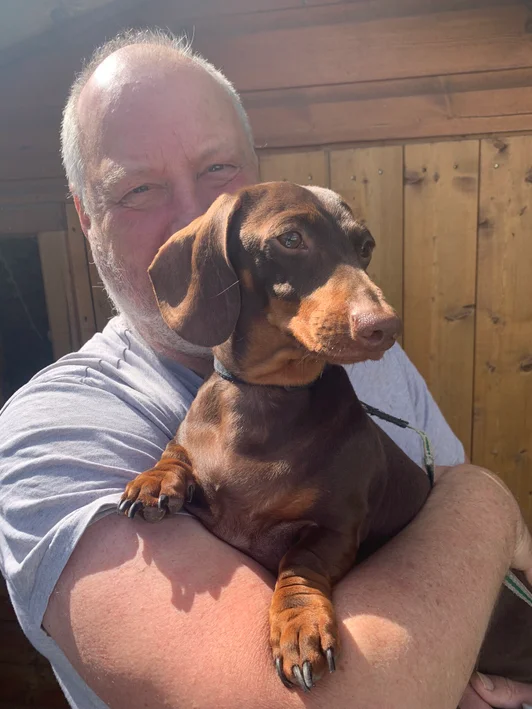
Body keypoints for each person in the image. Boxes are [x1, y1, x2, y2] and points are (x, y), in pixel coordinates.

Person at [0, 29, 531, 709]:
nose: (196, 213)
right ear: (85, 216)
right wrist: (487, 503)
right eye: (138, 188)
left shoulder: (355, 355)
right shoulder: (56, 431)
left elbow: (471, 549)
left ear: (257, 178)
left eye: (219, 168)